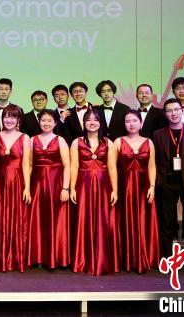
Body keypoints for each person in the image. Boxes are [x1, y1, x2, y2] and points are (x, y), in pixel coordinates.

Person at [152, 98, 184, 274]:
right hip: (166, 183)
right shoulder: (158, 134)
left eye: (176, 109)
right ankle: (167, 258)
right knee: (166, 221)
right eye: (169, 110)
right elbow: (155, 160)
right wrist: (158, 181)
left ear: (182, 111)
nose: (173, 113)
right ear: (165, 114)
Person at [70, 109, 120, 275]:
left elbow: (112, 167)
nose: (92, 122)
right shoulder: (76, 142)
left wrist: (115, 189)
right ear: (84, 123)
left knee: (103, 221)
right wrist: (72, 188)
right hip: (83, 185)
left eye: (95, 120)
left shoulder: (108, 142)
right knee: (83, 220)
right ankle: (83, 260)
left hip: (103, 186)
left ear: (100, 123)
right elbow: (74, 166)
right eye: (88, 120)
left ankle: (102, 259)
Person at [114, 110, 159, 273]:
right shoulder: (118, 142)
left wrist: (152, 186)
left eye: (134, 120)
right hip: (124, 187)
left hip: (143, 187)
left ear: (141, 123)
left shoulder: (149, 142)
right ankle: (127, 260)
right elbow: (112, 167)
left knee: (143, 221)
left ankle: (144, 257)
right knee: (125, 221)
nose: (131, 124)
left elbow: (152, 166)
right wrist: (114, 189)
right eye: (128, 121)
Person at [0, 105, 31, 272]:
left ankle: (15, 258)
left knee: (17, 219)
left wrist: (27, 187)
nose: (9, 120)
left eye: (13, 117)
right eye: (6, 117)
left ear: (18, 120)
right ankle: (0, 258)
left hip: (17, 181)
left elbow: (26, 164)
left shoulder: (25, 138)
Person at [28, 109, 70, 269]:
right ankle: (38, 257)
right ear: (39, 122)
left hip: (56, 184)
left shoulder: (60, 140)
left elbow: (67, 166)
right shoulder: (32, 140)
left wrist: (65, 188)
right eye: (43, 120)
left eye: (50, 121)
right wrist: (27, 187)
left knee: (56, 220)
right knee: (38, 220)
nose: (46, 123)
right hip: (37, 184)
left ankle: (57, 257)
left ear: (55, 123)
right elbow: (29, 165)